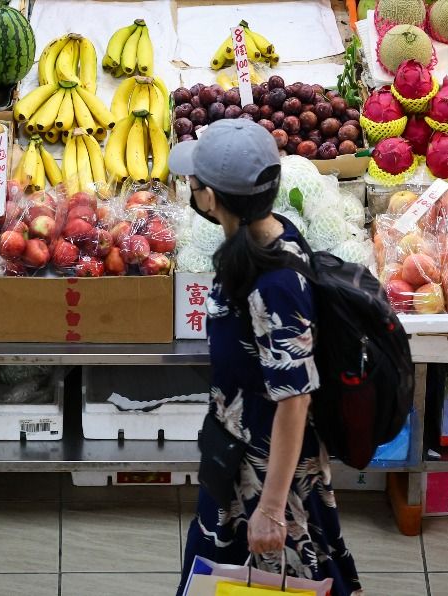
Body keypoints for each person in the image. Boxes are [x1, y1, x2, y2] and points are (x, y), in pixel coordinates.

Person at [170, 119, 361, 596]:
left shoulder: (274, 283)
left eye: (194, 183)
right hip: (237, 453)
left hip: (267, 470)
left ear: (210, 199)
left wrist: (272, 508)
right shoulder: (264, 238)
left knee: (277, 579)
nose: (191, 190)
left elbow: (295, 398)